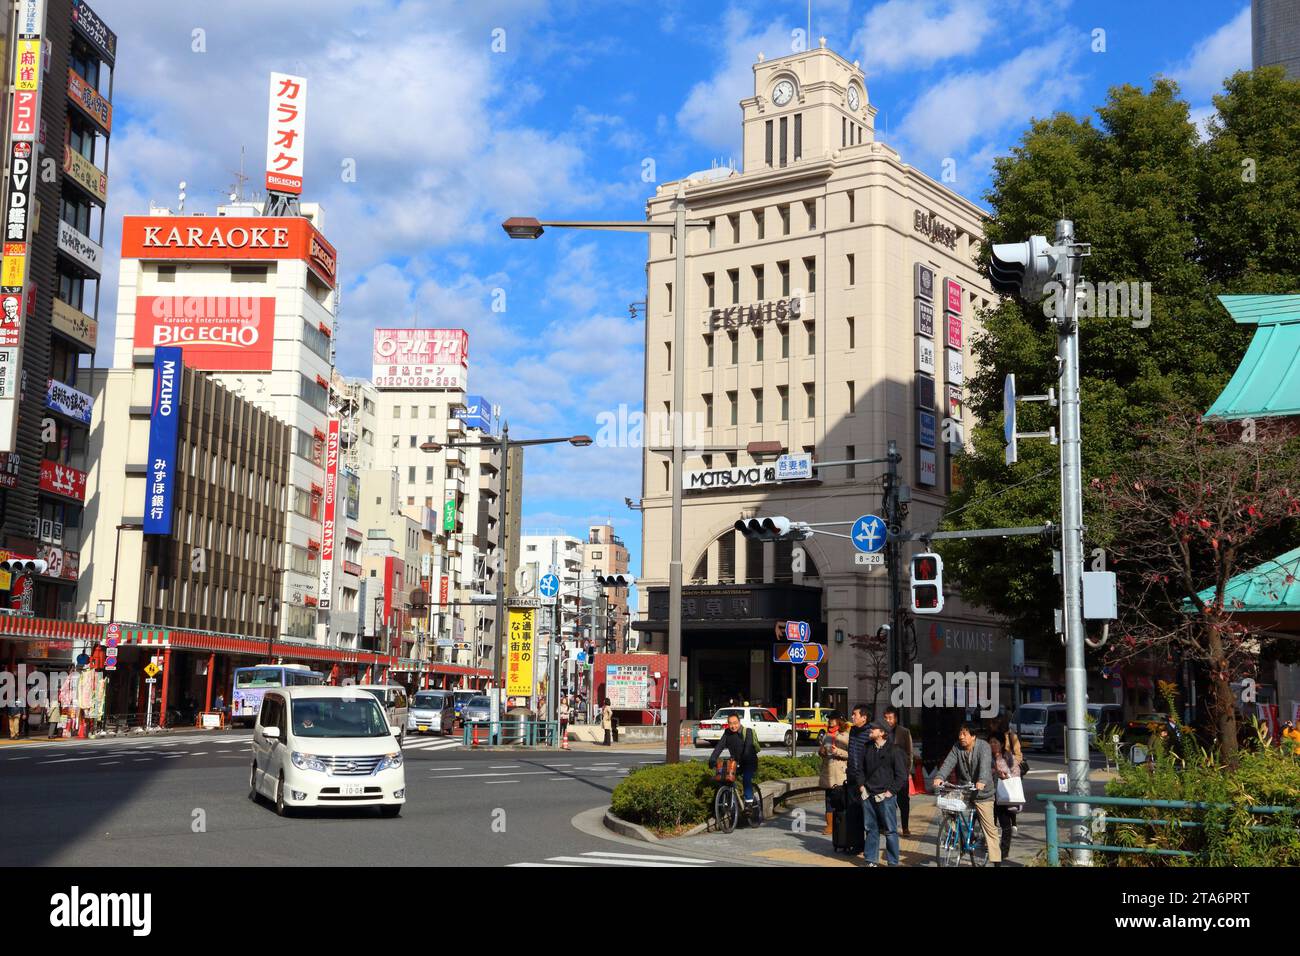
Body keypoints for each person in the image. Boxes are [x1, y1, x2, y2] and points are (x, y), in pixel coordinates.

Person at [933, 722, 1003, 866]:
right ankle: (955, 836)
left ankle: (996, 862)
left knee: (990, 830)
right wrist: (940, 777)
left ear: (973, 736)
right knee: (947, 807)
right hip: (965, 789)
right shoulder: (957, 747)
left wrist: (982, 780)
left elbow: (984, 766)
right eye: (960, 733)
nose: (961, 737)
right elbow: (948, 763)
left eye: (965, 734)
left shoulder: (983, 747)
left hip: (983, 792)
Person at [849, 721, 908, 866]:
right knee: (870, 829)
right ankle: (870, 860)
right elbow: (860, 769)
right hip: (868, 795)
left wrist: (890, 792)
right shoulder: (867, 747)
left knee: (890, 831)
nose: (870, 730)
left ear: (882, 732)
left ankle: (893, 862)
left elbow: (901, 775)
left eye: (873, 729)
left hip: (885, 797)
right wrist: (862, 787)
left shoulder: (894, 750)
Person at [708, 711, 761, 809]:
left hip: (750, 761)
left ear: (739, 722)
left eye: (735, 723)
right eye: (730, 723)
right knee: (725, 779)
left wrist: (743, 760)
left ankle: (749, 803)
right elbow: (719, 747)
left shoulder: (747, 732)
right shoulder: (727, 733)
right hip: (736, 763)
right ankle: (728, 800)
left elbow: (748, 748)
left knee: (746, 778)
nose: (733, 726)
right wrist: (712, 759)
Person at [990, 733, 1023, 861]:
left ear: (1002, 744)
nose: (993, 745)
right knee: (990, 823)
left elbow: (1016, 772)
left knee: (1005, 824)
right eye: (991, 742)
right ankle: (990, 845)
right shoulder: (986, 757)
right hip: (989, 795)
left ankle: (1003, 851)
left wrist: (1006, 775)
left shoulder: (1008, 757)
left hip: (1004, 795)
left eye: (995, 742)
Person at [883, 705, 914, 836]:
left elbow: (910, 753)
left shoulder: (904, 732)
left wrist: (907, 772)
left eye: (890, 718)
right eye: (886, 718)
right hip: (886, 772)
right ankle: (888, 826)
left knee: (903, 801)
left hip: (901, 772)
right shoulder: (882, 731)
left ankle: (905, 827)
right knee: (887, 801)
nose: (888, 721)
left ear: (896, 718)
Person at [818, 714, 850, 834]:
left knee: (841, 798)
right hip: (828, 770)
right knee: (828, 799)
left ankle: (843, 824)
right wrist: (821, 751)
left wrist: (838, 751)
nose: (830, 721)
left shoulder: (845, 736)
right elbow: (822, 749)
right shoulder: (826, 735)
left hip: (840, 771)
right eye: (829, 719)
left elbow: (850, 754)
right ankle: (830, 826)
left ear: (839, 721)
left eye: (833, 719)